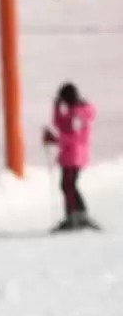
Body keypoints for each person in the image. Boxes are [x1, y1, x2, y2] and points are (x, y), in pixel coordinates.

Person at [42, 82, 99, 232]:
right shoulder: (73, 113)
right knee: (68, 185)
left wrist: (55, 140)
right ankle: (76, 214)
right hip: (71, 155)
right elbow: (60, 123)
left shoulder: (77, 115)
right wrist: (56, 108)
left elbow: (73, 137)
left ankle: (75, 214)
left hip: (74, 155)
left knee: (68, 185)